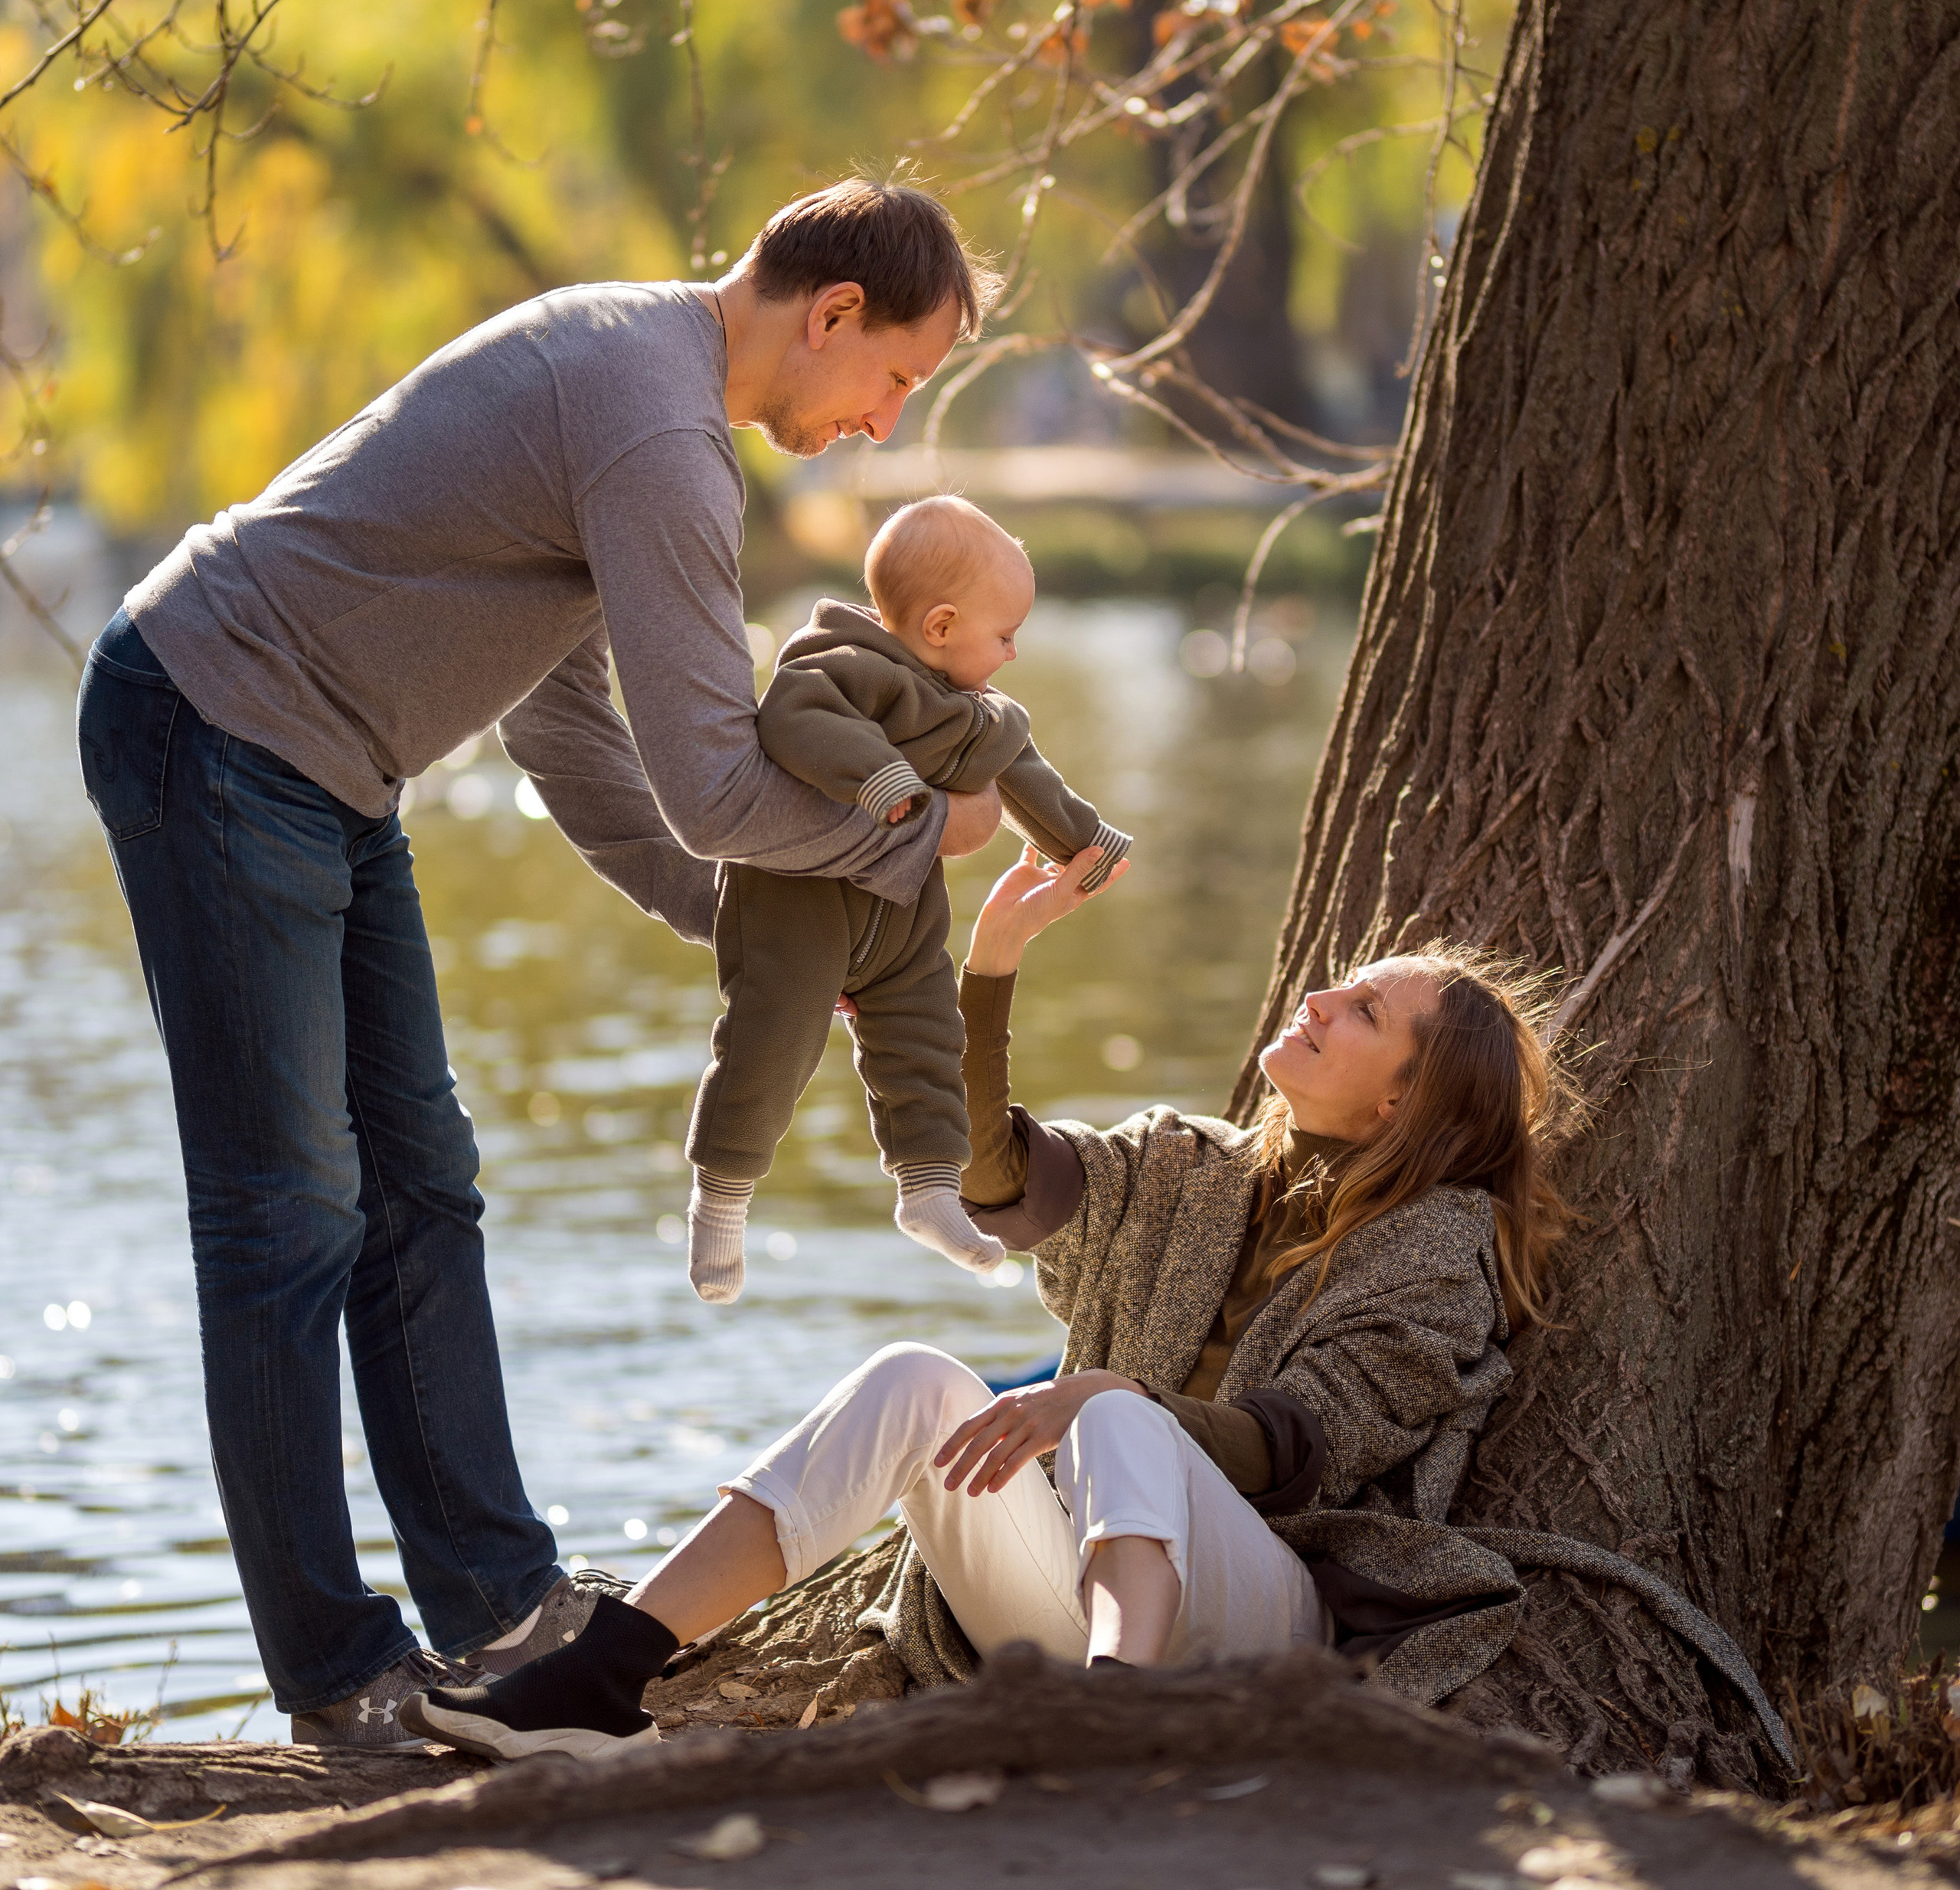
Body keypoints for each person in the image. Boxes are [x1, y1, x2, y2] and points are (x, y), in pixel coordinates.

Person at [71, 176, 1008, 1748]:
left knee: (420, 1187)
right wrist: (913, 841)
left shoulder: (641, 388)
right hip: (214, 724)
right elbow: (715, 786)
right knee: (287, 1215)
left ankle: (499, 1605)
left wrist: (762, 937)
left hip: (323, 769)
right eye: (895, 376)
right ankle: (335, 1677)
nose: (884, 421)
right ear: (833, 312)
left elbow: (569, 738)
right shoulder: (658, 437)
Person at [399, 840, 1576, 1763]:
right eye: (1343, 987)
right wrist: (993, 963)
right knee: (916, 1378)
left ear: (1403, 1105)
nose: (1319, 997)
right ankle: (598, 1680)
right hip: (1074, 1602)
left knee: (1119, 1417)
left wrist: (1112, 1396)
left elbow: (1310, 1446)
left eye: (1365, 1011)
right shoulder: (1194, 1166)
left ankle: (1109, 1729)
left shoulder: (1436, 1249)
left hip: (1264, 1616)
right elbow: (994, 1175)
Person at [685, 495, 1131, 1304]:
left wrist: (1087, 847)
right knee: (771, 1043)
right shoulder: (840, 666)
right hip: (798, 906)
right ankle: (722, 1195)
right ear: (941, 625)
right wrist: (882, 777)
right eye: (1005, 635)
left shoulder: (978, 713)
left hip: (901, 913)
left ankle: (927, 1188)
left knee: (927, 1034)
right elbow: (797, 719)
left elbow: (1029, 779)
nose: (1014, 651)